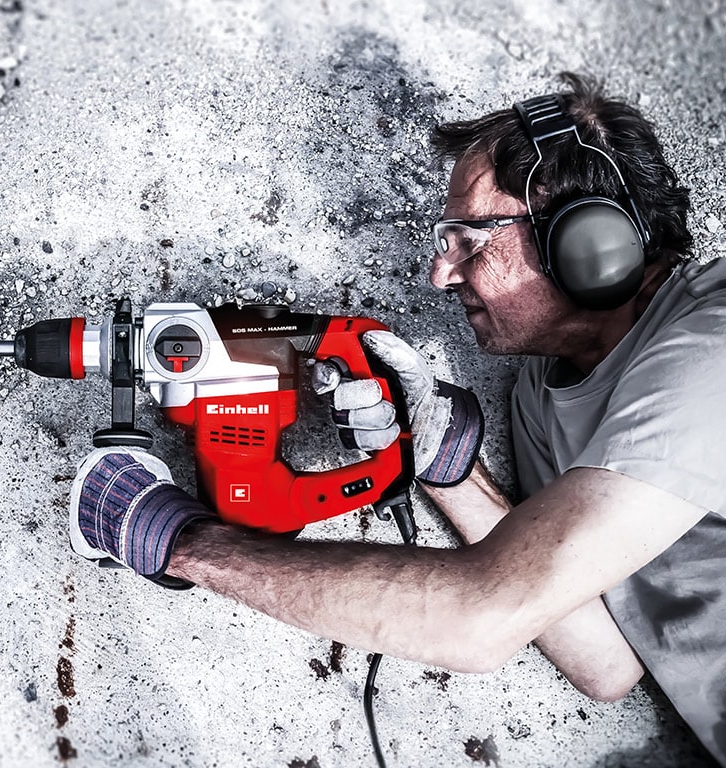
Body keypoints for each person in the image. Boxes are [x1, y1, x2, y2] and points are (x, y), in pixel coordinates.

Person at [68, 72, 726, 764]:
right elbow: (606, 665)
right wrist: (441, 461)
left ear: (592, 245)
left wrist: (181, 545)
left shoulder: (713, 345)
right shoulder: (543, 389)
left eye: (471, 240)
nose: (440, 276)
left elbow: (482, 619)